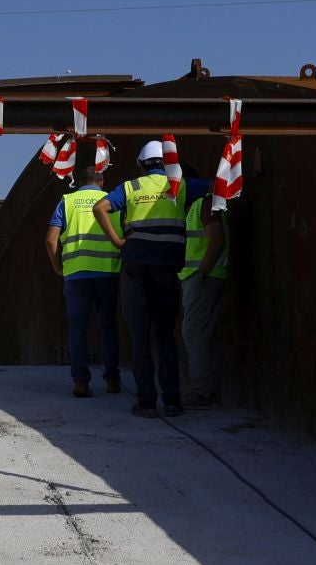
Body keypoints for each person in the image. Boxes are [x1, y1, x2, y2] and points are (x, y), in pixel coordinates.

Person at [93, 143, 210, 418]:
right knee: (165, 336)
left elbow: (100, 208)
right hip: (167, 269)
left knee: (140, 337)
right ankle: (172, 401)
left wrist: (117, 240)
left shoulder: (131, 187)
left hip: (135, 267)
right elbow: (217, 187)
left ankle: (146, 402)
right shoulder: (180, 186)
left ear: (142, 165)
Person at [44, 163, 122, 398]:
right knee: (108, 326)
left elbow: (50, 239)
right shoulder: (114, 200)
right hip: (107, 272)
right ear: (101, 182)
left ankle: (80, 382)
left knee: (77, 328)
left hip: (76, 274)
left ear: (78, 182)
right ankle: (112, 380)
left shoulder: (66, 202)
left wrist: (58, 266)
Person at [179, 194, 230, 408]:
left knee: (193, 332)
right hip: (199, 277)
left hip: (204, 277)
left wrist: (201, 274)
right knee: (199, 332)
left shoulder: (207, 204)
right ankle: (205, 388)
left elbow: (216, 240)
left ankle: (203, 392)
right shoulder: (196, 206)